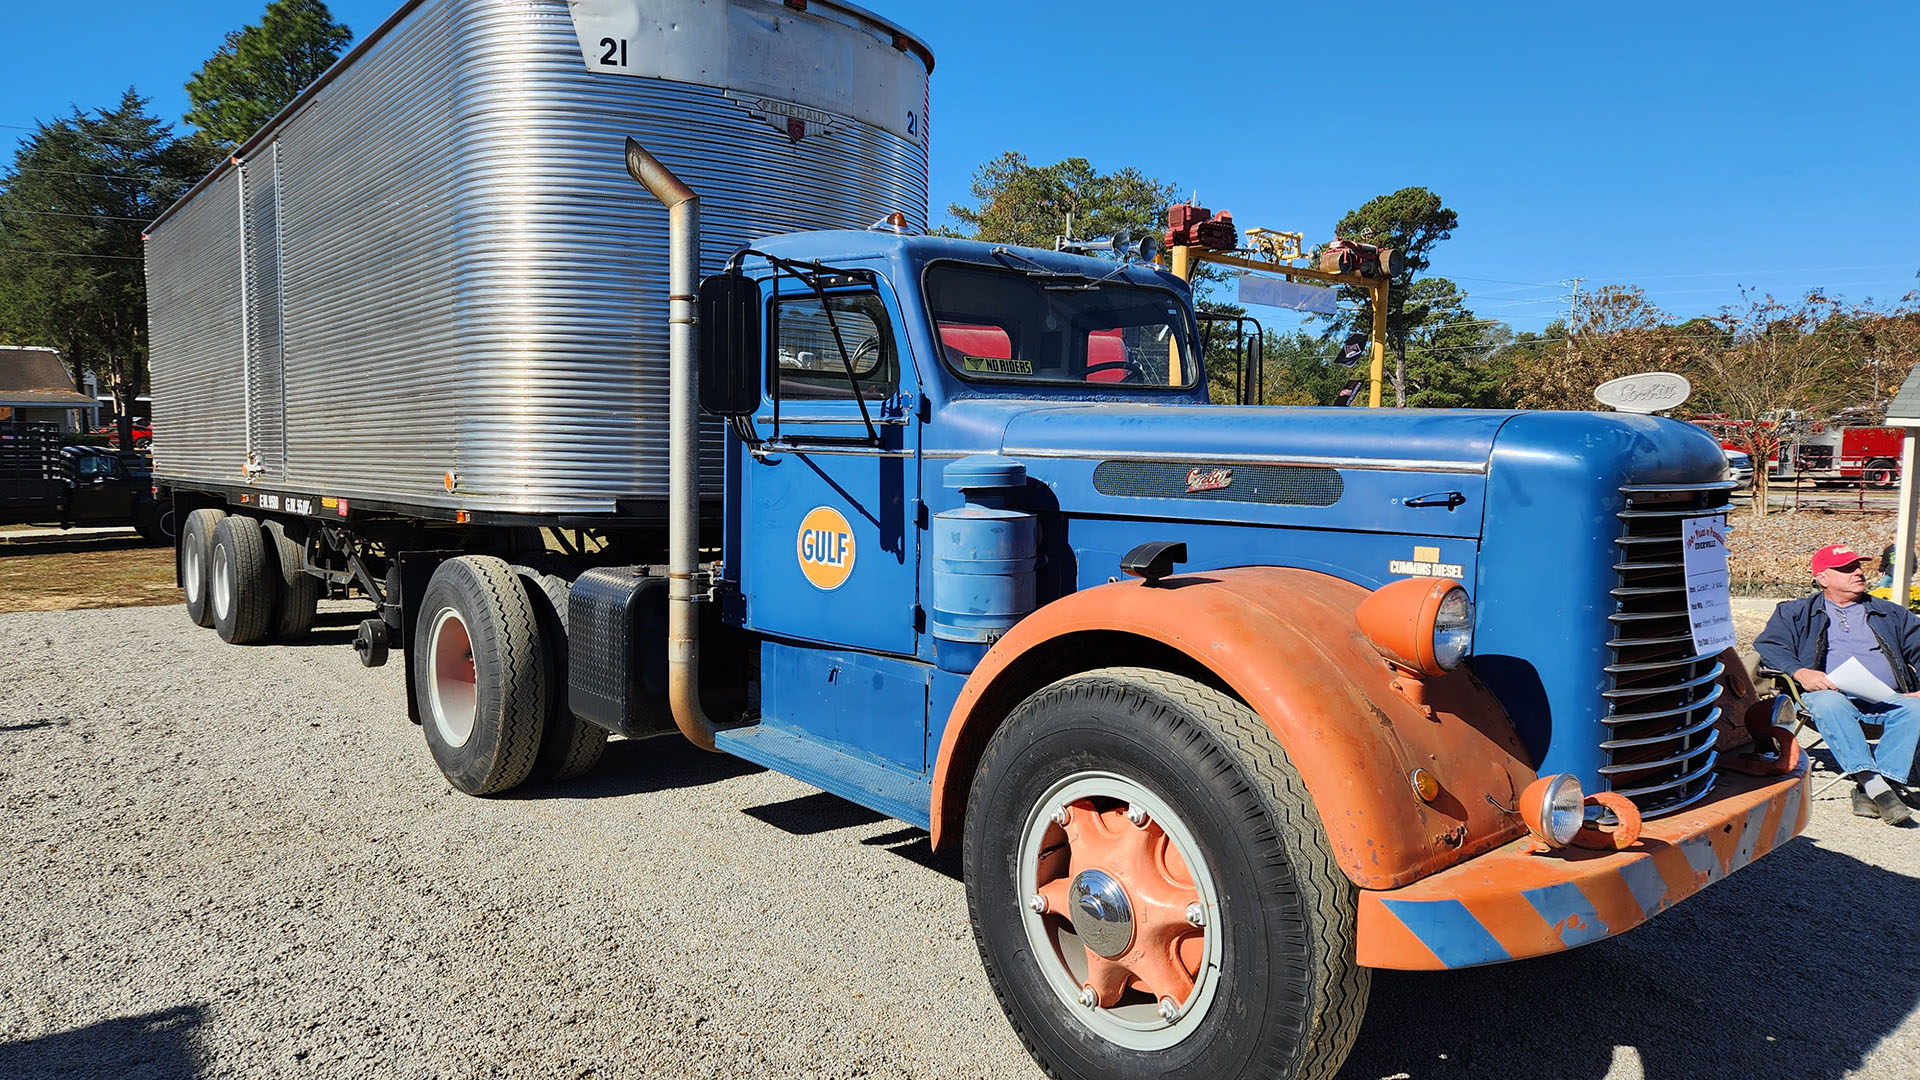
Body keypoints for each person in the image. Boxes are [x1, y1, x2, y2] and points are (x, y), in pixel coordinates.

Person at [1754, 544, 1920, 825]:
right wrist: (1800, 671)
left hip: (1887, 698)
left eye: (1858, 566)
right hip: (1829, 696)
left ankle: (1872, 788)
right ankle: (1877, 785)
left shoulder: (1891, 613)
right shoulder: (1795, 612)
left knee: (1916, 708)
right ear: (1823, 578)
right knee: (1827, 700)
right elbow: (1768, 645)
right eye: (1846, 569)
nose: (1858, 573)